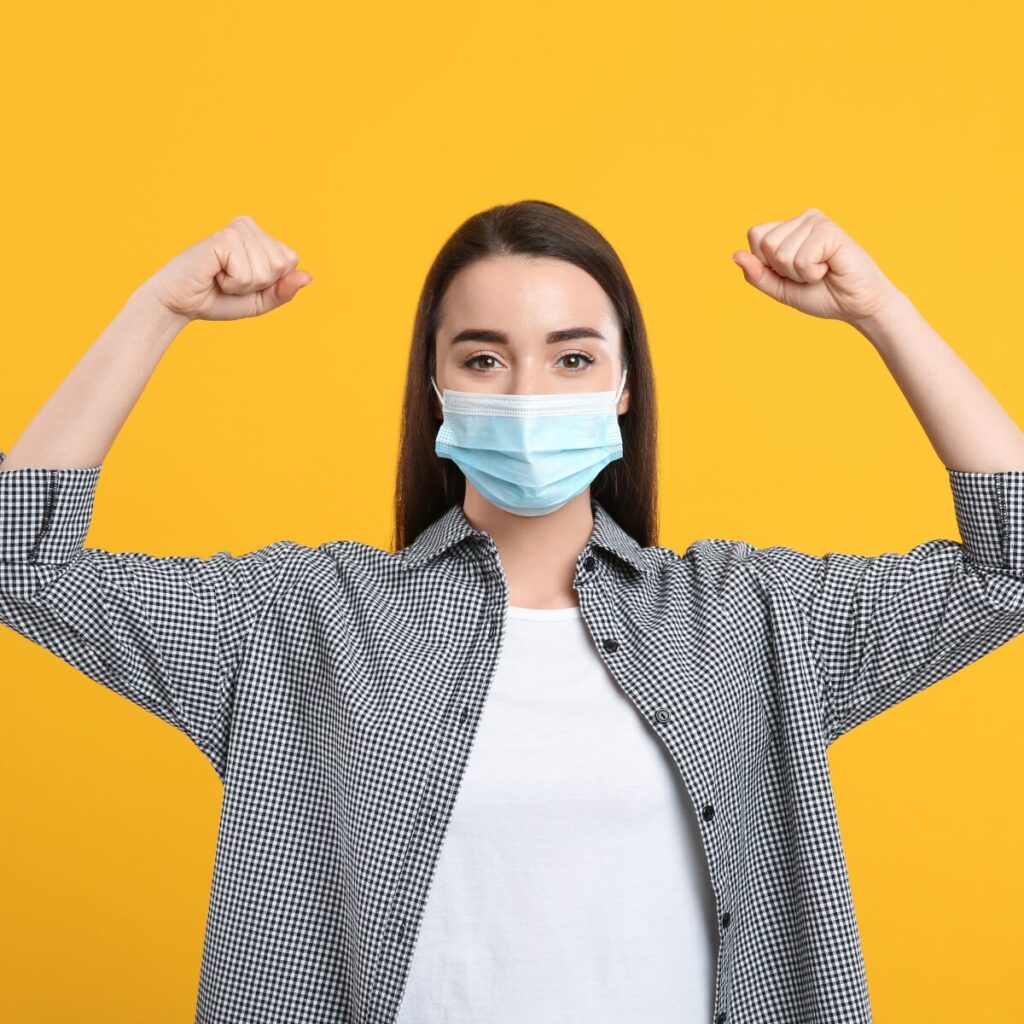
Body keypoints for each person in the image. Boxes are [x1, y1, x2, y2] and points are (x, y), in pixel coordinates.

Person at [2, 202, 1023, 1024]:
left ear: (623, 386)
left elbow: (1009, 569)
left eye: (572, 358)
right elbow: (20, 565)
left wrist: (880, 309)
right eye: (483, 358)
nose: (527, 390)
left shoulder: (750, 622)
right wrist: (157, 309)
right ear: (436, 386)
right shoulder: (298, 623)